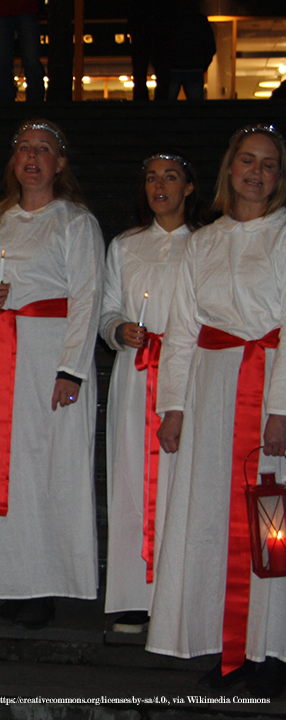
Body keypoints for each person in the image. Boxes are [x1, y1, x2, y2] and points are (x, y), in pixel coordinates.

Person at [148, 125, 286, 698]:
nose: (256, 172)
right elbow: (181, 329)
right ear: (230, 169)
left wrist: (280, 406)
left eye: (270, 164)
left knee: (272, 520)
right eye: (247, 161)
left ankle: (271, 647)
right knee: (212, 517)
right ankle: (230, 646)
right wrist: (174, 405)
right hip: (212, 390)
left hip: (270, 380)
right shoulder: (202, 242)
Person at [0, 119, 104, 629]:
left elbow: (87, 298)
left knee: (45, 470)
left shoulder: (75, 222)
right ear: (14, 162)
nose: (32, 157)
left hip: (46, 360)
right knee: (2, 467)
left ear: (59, 164)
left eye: (43, 150)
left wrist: (72, 370)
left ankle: (44, 583)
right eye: (24, 149)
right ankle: (6, 579)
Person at [99, 152, 205, 634]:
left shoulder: (205, 244)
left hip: (186, 374)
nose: (159, 186)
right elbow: (106, 310)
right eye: (150, 178)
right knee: (130, 477)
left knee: (182, 481)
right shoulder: (124, 246)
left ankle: (180, 591)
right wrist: (120, 329)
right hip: (135, 375)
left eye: (171, 178)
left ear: (189, 187)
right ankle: (133, 595)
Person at [0, 0, 45, 103]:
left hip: (1, 10)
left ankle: (6, 102)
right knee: (30, 60)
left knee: (3, 62)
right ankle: (35, 103)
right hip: (24, 9)